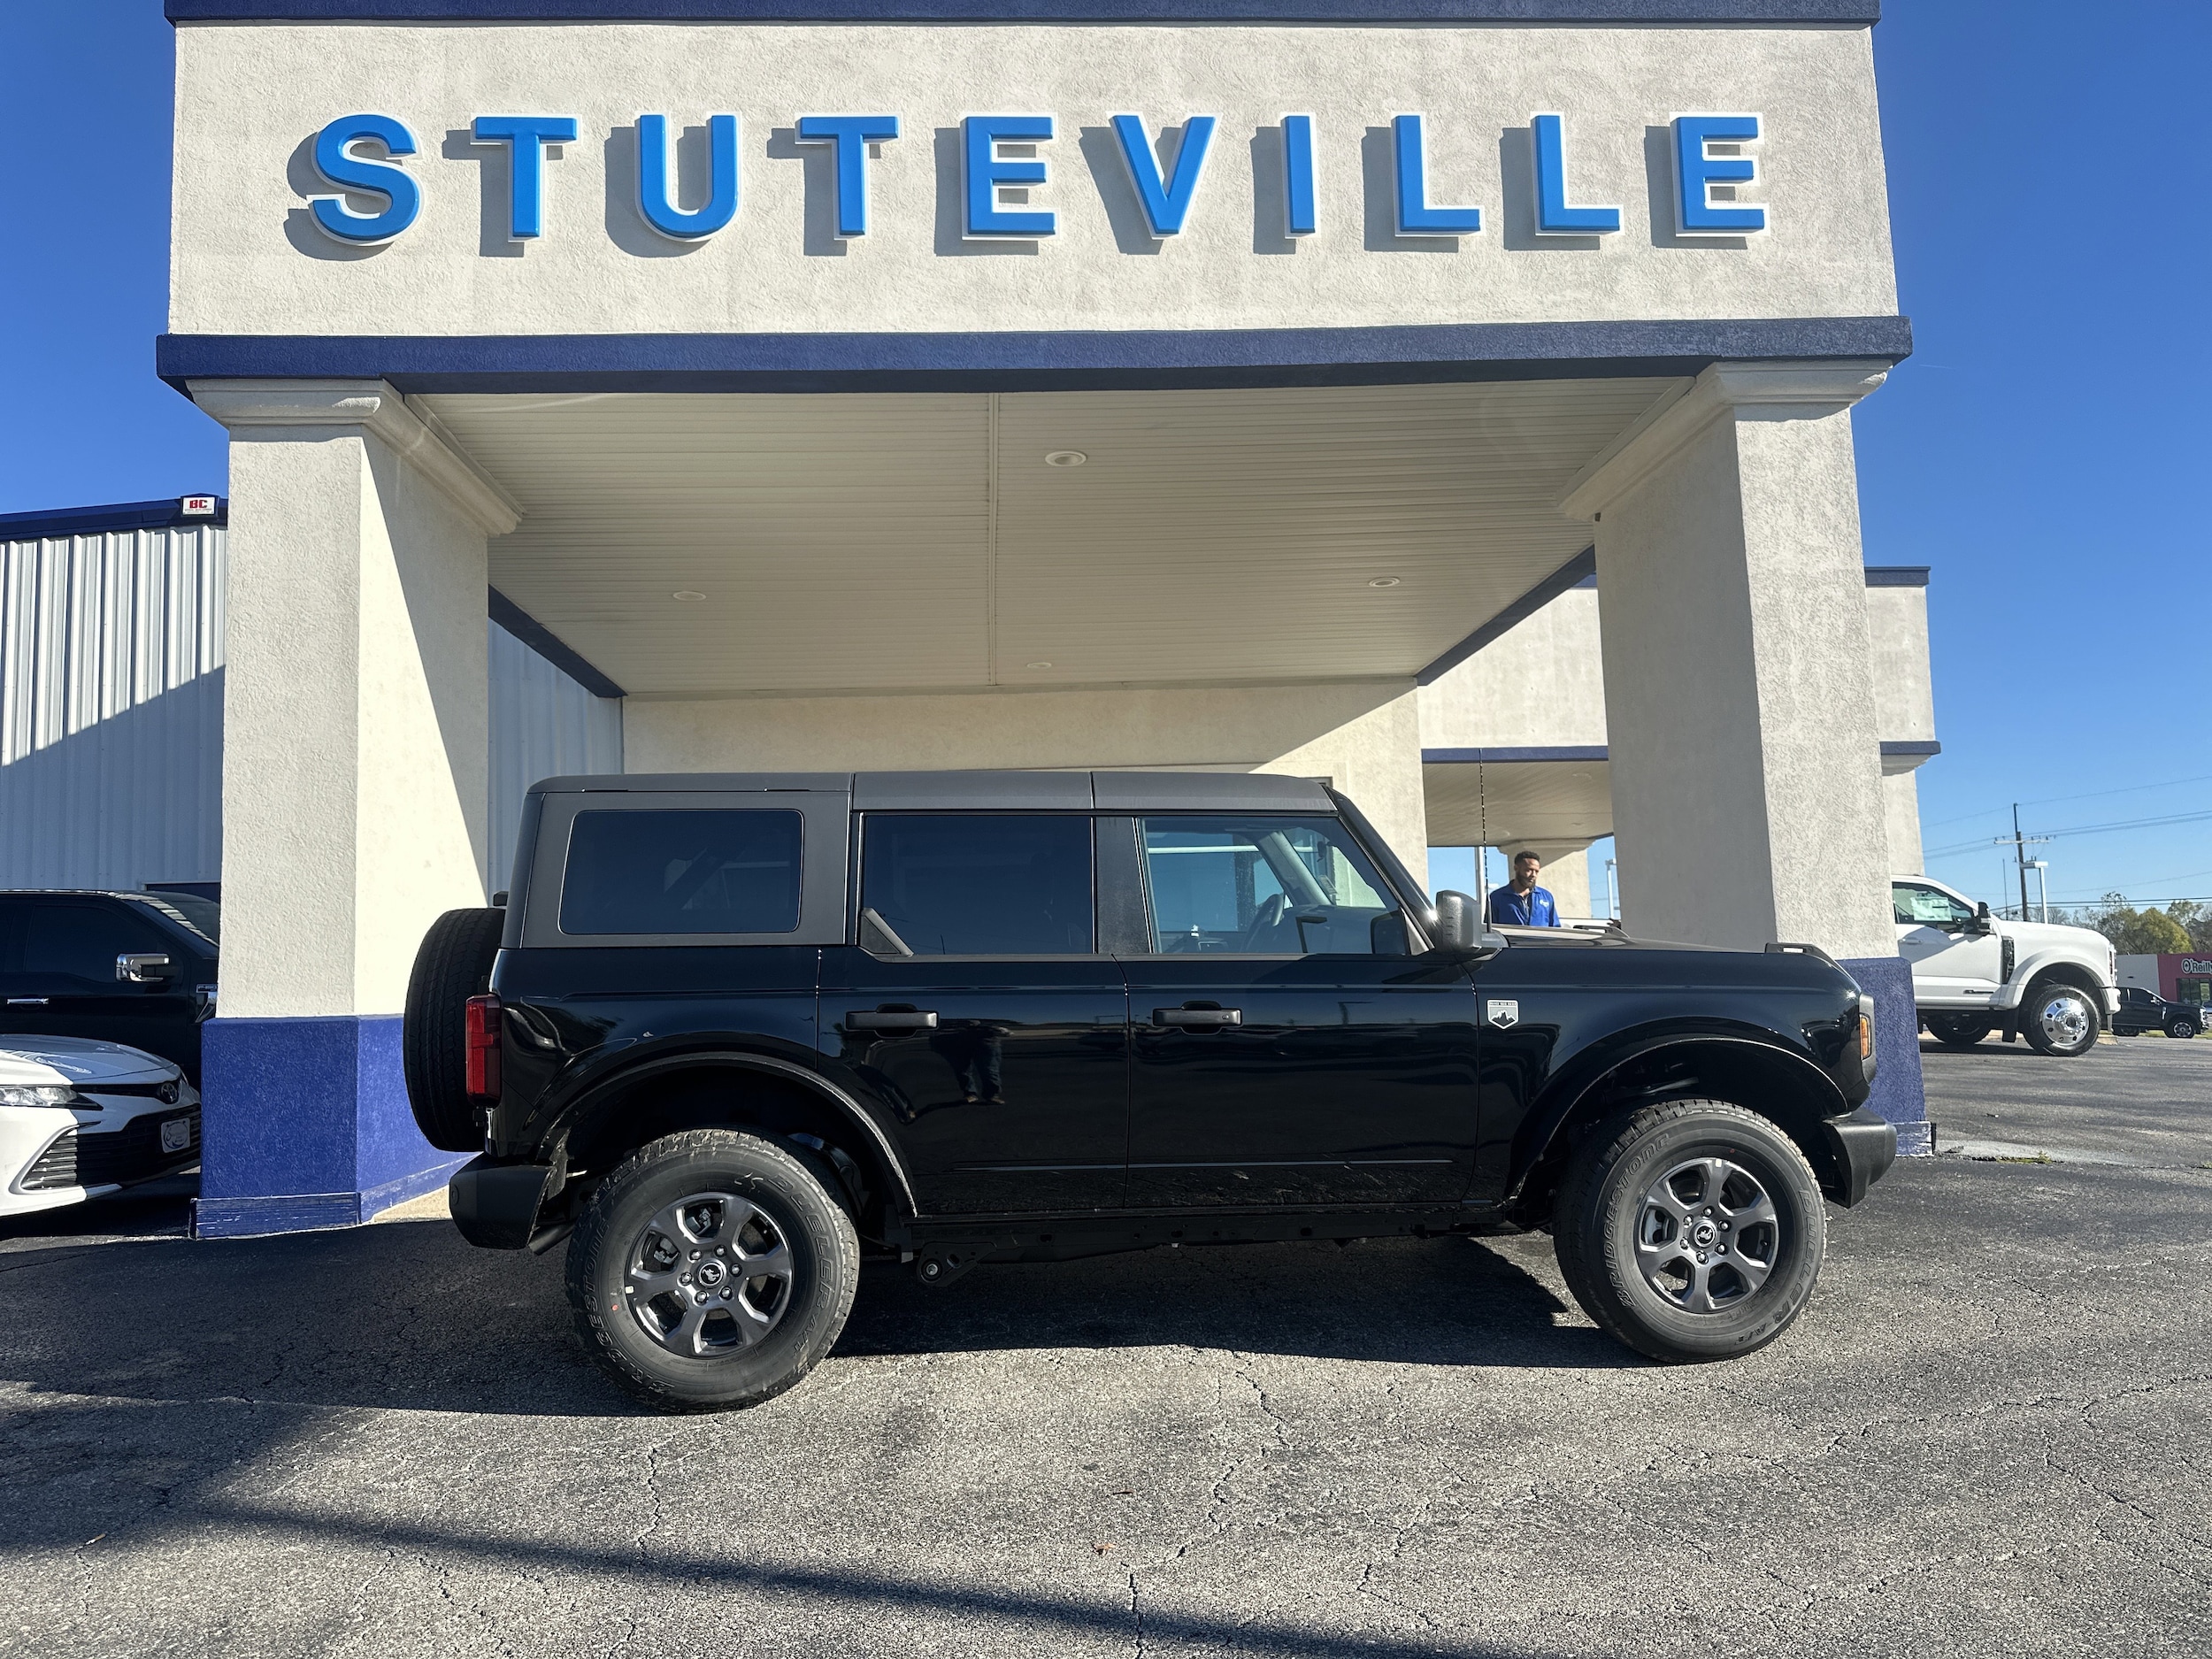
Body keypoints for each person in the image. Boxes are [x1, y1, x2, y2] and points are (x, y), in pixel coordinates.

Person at [1489, 850, 1561, 927]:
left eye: (1536, 871)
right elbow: (1490, 929)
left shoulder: (1546, 896)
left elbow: (1555, 927)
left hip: (1540, 939)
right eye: (1528, 870)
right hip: (1511, 939)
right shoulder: (1497, 897)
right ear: (1516, 868)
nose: (1533, 875)